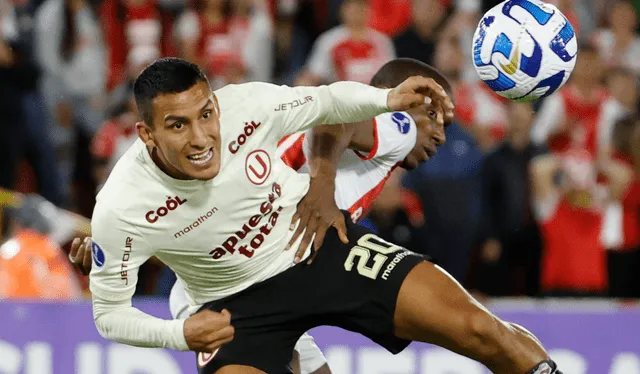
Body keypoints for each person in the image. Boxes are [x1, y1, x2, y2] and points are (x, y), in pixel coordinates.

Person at [86, 57, 561, 374]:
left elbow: (327, 103)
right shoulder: (122, 207)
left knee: (480, 328)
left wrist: (387, 99)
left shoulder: (246, 105)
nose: (201, 136)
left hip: (317, 245)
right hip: (232, 303)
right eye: (177, 125)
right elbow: (108, 315)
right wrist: (178, 334)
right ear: (146, 135)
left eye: (206, 114)